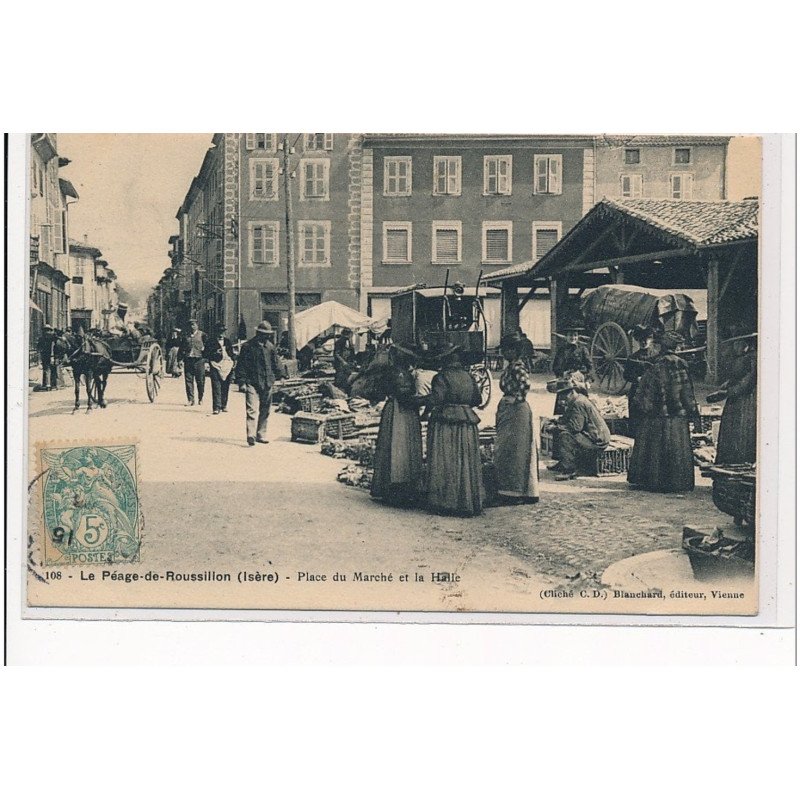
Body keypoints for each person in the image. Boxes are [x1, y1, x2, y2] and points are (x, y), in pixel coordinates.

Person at [627, 331, 699, 492]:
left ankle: (652, 481)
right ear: (677, 347)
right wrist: (692, 411)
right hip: (676, 416)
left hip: (655, 416)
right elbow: (686, 392)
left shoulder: (654, 365)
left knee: (653, 448)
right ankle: (676, 482)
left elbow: (643, 393)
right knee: (676, 446)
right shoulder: (680, 365)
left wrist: (646, 409)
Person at [425, 345, 483, 516]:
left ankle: (446, 501)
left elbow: (437, 398)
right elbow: (477, 399)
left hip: (446, 421)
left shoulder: (441, 377)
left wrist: (419, 401)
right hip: (467, 422)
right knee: (465, 460)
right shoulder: (469, 376)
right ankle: (466, 500)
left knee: (447, 460)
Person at [370, 345, 424, 507]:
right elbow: (404, 394)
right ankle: (399, 487)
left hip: (397, 409)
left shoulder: (397, 372)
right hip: (400, 411)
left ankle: (394, 486)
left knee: (395, 447)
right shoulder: (399, 373)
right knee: (399, 448)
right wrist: (422, 401)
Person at [494, 333, 539, 503]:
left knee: (515, 450)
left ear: (514, 351)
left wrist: (516, 399)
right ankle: (510, 489)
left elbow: (525, 384)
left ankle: (515, 491)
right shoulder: (511, 366)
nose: (504, 353)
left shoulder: (517, 367)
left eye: (507, 350)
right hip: (511, 411)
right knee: (507, 449)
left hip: (517, 412)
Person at [546, 371, 611, 480]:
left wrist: (555, 428)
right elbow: (567, 419)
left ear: (570, 393)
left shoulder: (578, 403)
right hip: (592, 436)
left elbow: (575, 427)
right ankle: (562, 462)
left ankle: (569, 470)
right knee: (558, 429)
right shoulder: (576, 400)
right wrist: (556, 422)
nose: (561, 400)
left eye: (563, 396)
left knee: (564, 435)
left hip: (597, 440)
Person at [236, 320, 285, 446]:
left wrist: (282, 376)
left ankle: (261, 434)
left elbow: (276, 363)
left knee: (265, 409)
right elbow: (241, 365)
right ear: (258, 333)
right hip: (251, 381)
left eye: (268, 334)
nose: (266, 336)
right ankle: (251, 434)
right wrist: (241, 382)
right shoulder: (248, 347)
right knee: (251, 409)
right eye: (263, 334)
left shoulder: (270, 347)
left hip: (267, 381)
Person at [712, 332, 757, 464]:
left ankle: (739, 461)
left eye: (736, 344)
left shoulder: (752, 358)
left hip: (745, 401)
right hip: (735, 400)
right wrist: (726, 385)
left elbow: (746, 383)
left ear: (745, 345)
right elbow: (736, 377)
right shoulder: (742, 358)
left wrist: (726, 393)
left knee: (741, 431)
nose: (734, 348)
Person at [623, 325, 658, 435]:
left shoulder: (656, 356)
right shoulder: (633, 357)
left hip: (652, 390)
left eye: (647, 339)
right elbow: (626, 375)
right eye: (641, 340)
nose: (644, 342)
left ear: (651, 339)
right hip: (637, 391)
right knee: (636, 417)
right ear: (638, 341)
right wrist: (636, 378)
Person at [552, 324, 593, 414]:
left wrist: (587, 380)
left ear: (578, 337)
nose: (573, 337)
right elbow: (555, 366)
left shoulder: (583, 349)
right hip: (565, 382)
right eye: (570, 335)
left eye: (575, 335)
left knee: (580, 408)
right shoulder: (561, 350)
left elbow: (590, 366)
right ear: (566, 337)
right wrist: (563, 374)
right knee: (565, 409)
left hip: (579, 382)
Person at [205, 323, 236, 415]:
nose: (221, 334)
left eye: (222, 332)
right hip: (215, 365)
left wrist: (234, 361)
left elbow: (231, 353)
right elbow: (206, 354)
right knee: (216, 386)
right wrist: (215, 353)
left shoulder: (227, 341)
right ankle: (216, 407)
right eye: (219, 332)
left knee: (225, 386)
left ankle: (224, 404)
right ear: (215, 332)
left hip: (227, 365)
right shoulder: (210, 342)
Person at [179, 319, 208, 406]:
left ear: (197, 325)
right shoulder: (185, 336)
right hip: (188, 360)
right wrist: (180, 359)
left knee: (200, 381)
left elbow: (207, 347)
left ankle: (200, 398)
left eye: (194, 325)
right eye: (190, 325)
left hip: (199, 360)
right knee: (188, 380)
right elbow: (181, 348)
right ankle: (190, 400)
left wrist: (206, 360)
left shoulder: (203, 335)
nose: (192, 327)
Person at [38, 324, 58, 390]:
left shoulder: (41, 338)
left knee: (46, 370)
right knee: (53, 370)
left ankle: (47, 385)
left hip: (45, 356)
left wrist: (39, 359)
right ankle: (53, 385)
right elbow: (54, 346)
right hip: (52, 356)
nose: (47, 332)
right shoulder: (53, 337)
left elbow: (39, 349)